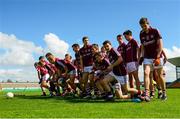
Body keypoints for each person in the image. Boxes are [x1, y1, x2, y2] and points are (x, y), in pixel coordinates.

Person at [139, 17, 167, 101]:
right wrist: (142, 56)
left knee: (159, 76)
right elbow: (143, 46)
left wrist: (158, 56)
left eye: (145, 26)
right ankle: (147, 94)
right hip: (147, 57)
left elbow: (160, 44)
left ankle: (164, 93)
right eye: (142, 26)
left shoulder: (155, 31)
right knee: (146, 73)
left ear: (148, 24)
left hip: (156, 56)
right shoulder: (141, 34)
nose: (144, 28)